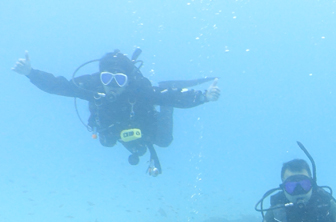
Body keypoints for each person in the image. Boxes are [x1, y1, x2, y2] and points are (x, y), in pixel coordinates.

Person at [12, 49, 219, 175]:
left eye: (119, 80)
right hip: (114, 128)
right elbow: (60, 86)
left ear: (127, 80)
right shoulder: (93, 87)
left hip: (143, 122)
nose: (112, 85)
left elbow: (168, 97)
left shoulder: (139, 90)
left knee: (164, 141)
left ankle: (168, 99)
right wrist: (31, 73)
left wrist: (203, 97)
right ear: (100, 77)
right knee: (107, 142)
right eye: (107, 79)